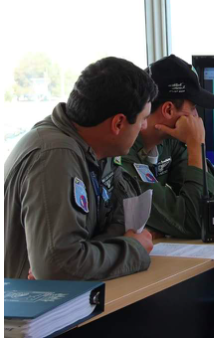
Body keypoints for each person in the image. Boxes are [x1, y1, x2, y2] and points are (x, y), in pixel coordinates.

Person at [4, 57, 158, 281]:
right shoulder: (55, 156)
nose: (144, 127)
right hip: (34, 310)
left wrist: (115, 244)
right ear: (118, 123)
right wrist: (132, 249)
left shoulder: (95, 151)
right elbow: (59, 266)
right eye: (143, 119)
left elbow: (120, 223)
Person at [118, 54, 214, 239]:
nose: (196, 117)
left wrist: (194, 148)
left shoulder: (170, 141)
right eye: (192, 108)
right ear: (168, 110)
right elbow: (196, 223)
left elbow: (211, 209)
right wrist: (196, 145)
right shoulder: (121, 152)